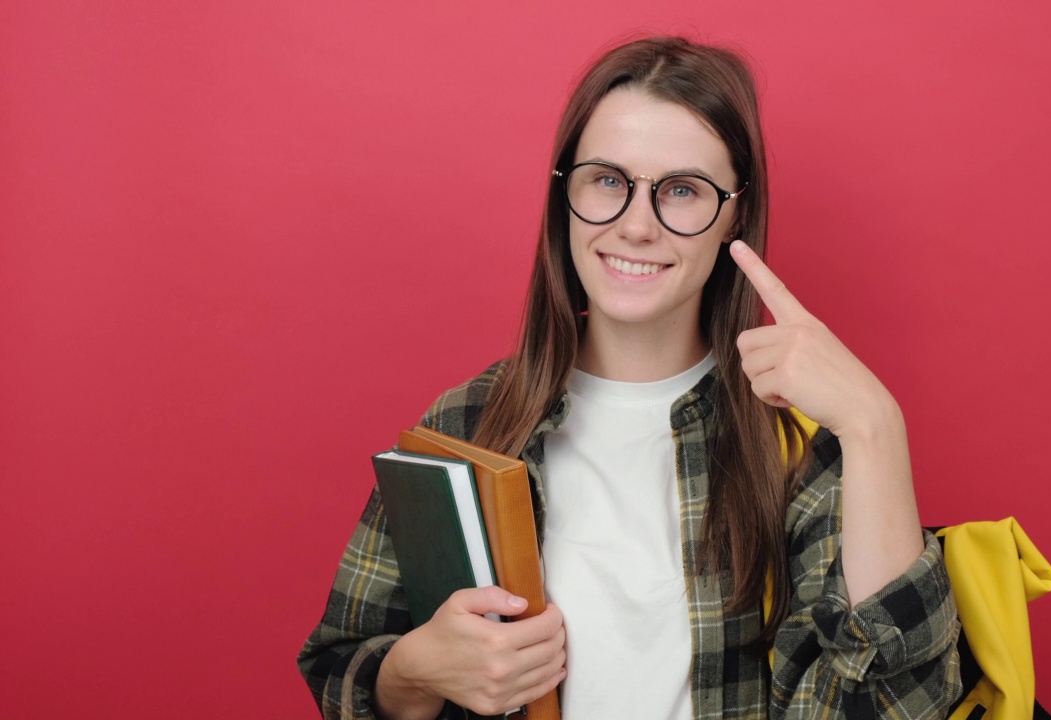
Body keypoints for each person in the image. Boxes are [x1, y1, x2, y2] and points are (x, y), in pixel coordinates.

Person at [298, 36, 961, 720]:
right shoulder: (466, 425)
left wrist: (876, 427)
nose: (636, 225)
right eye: (608, 180)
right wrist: (411, 673)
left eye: (681, 190)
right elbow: (340, 671)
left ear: (735, 211)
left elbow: (896, 706)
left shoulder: (799, 454)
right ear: (566, 192)